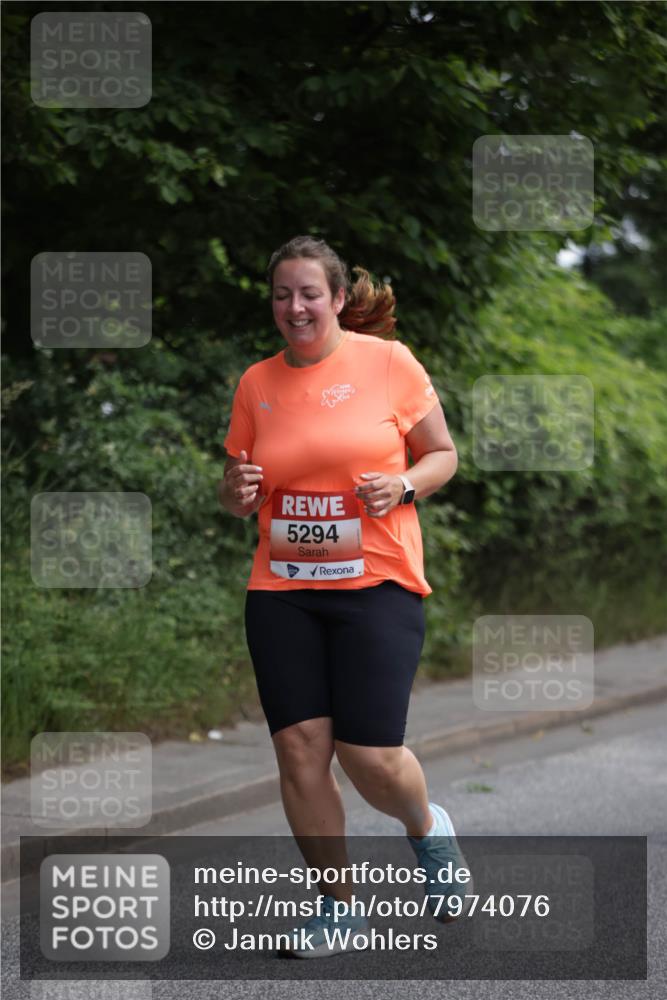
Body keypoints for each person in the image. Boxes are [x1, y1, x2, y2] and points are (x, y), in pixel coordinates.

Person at [219, 235, 473, 958]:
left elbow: (442, 455)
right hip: (283, 590)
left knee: (369, 756)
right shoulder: (255, 383)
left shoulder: (387, 364)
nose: (294, 307)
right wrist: (235, 493)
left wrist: (400, 485)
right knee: (300, 752)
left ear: (336, 299)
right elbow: (238, 491)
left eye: (308, 293)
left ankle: (426, 827)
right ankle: (337, 907)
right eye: (281, 294)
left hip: (377, 584)